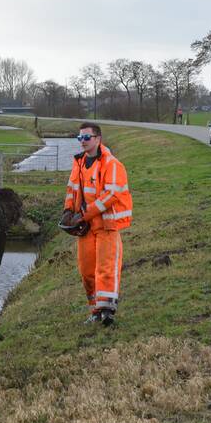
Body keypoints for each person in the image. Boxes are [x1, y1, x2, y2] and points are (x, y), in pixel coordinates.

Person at [61, 123, 133, 326]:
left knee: (106, 267)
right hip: (85, 228)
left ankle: (107, 311)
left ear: (98, 139)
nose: (82, 142)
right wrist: (68, 211)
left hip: (106, 225)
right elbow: (72, 189)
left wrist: (85, 213)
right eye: (80, 138)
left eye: (87, 138)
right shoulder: (79, 163)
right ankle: (95, 309)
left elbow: (111, 195)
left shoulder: (112, 164)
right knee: (86, 270)